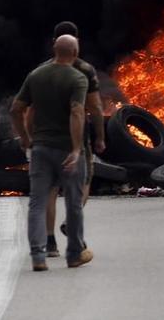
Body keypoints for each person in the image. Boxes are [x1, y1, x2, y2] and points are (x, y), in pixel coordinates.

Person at [13, 34, 91, 271]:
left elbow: (17, 109)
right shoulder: (78, 78)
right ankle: (75, 254)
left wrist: (26, 138)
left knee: (37, 202)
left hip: (41, 149)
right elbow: (77, 113)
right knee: (73, 203)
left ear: (54, 50)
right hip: (66, 150)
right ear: (75, 53)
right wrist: (77, 149)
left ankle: (38, 256)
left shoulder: (36, 75)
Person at [42, 21, 107, 258]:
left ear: (54, 44)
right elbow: (95, 107)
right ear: (77, 45)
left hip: (47, 136)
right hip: (76, 137)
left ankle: (49, 242)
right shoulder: (85, 70)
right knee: (82, 183)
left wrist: (27, 137)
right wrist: (100, 135)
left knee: (50, 188)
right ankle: (72, 224)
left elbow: (25, 107)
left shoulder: (41, 71)